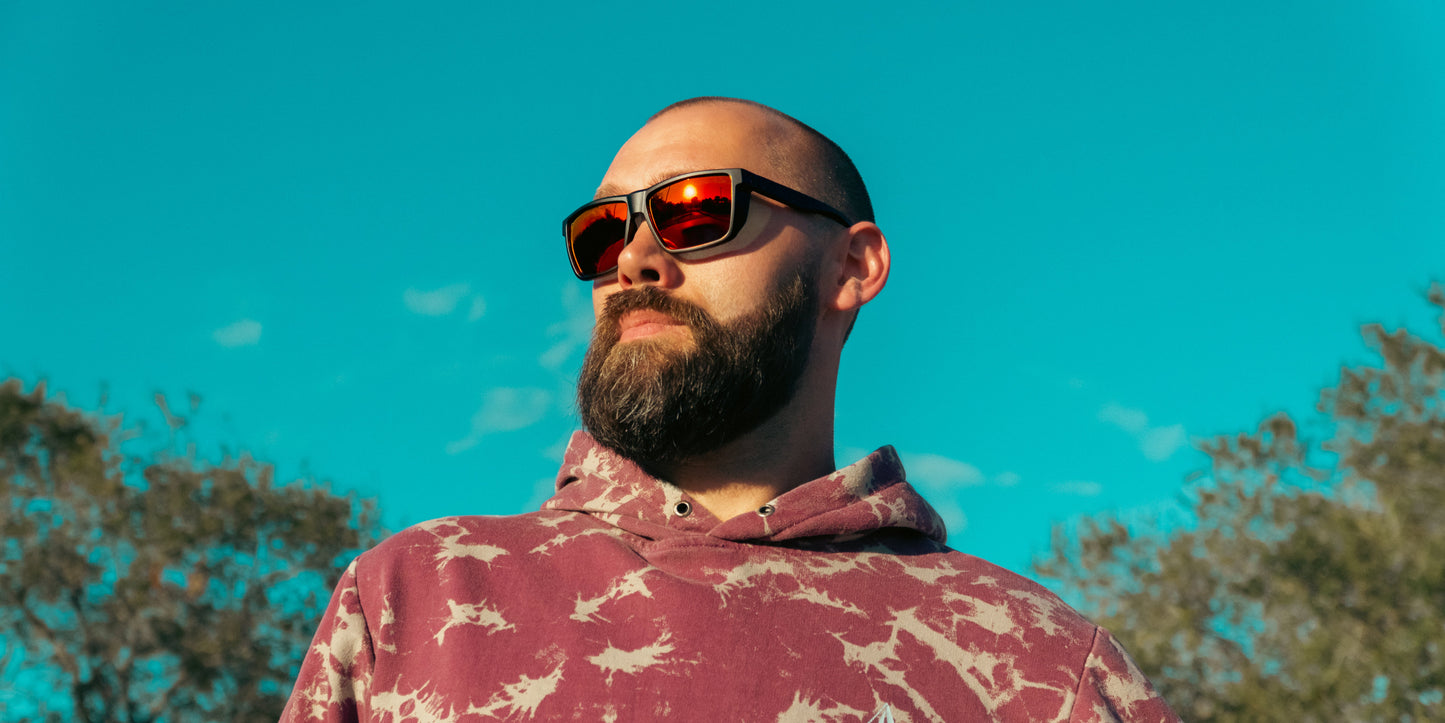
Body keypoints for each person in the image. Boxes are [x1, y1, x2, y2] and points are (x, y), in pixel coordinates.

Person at [281, 97, 1180, 722]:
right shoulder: (418, 594)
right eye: (601, 232)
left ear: (851, 267)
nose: (633, 258)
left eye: (697, 210)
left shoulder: (1036, 662)